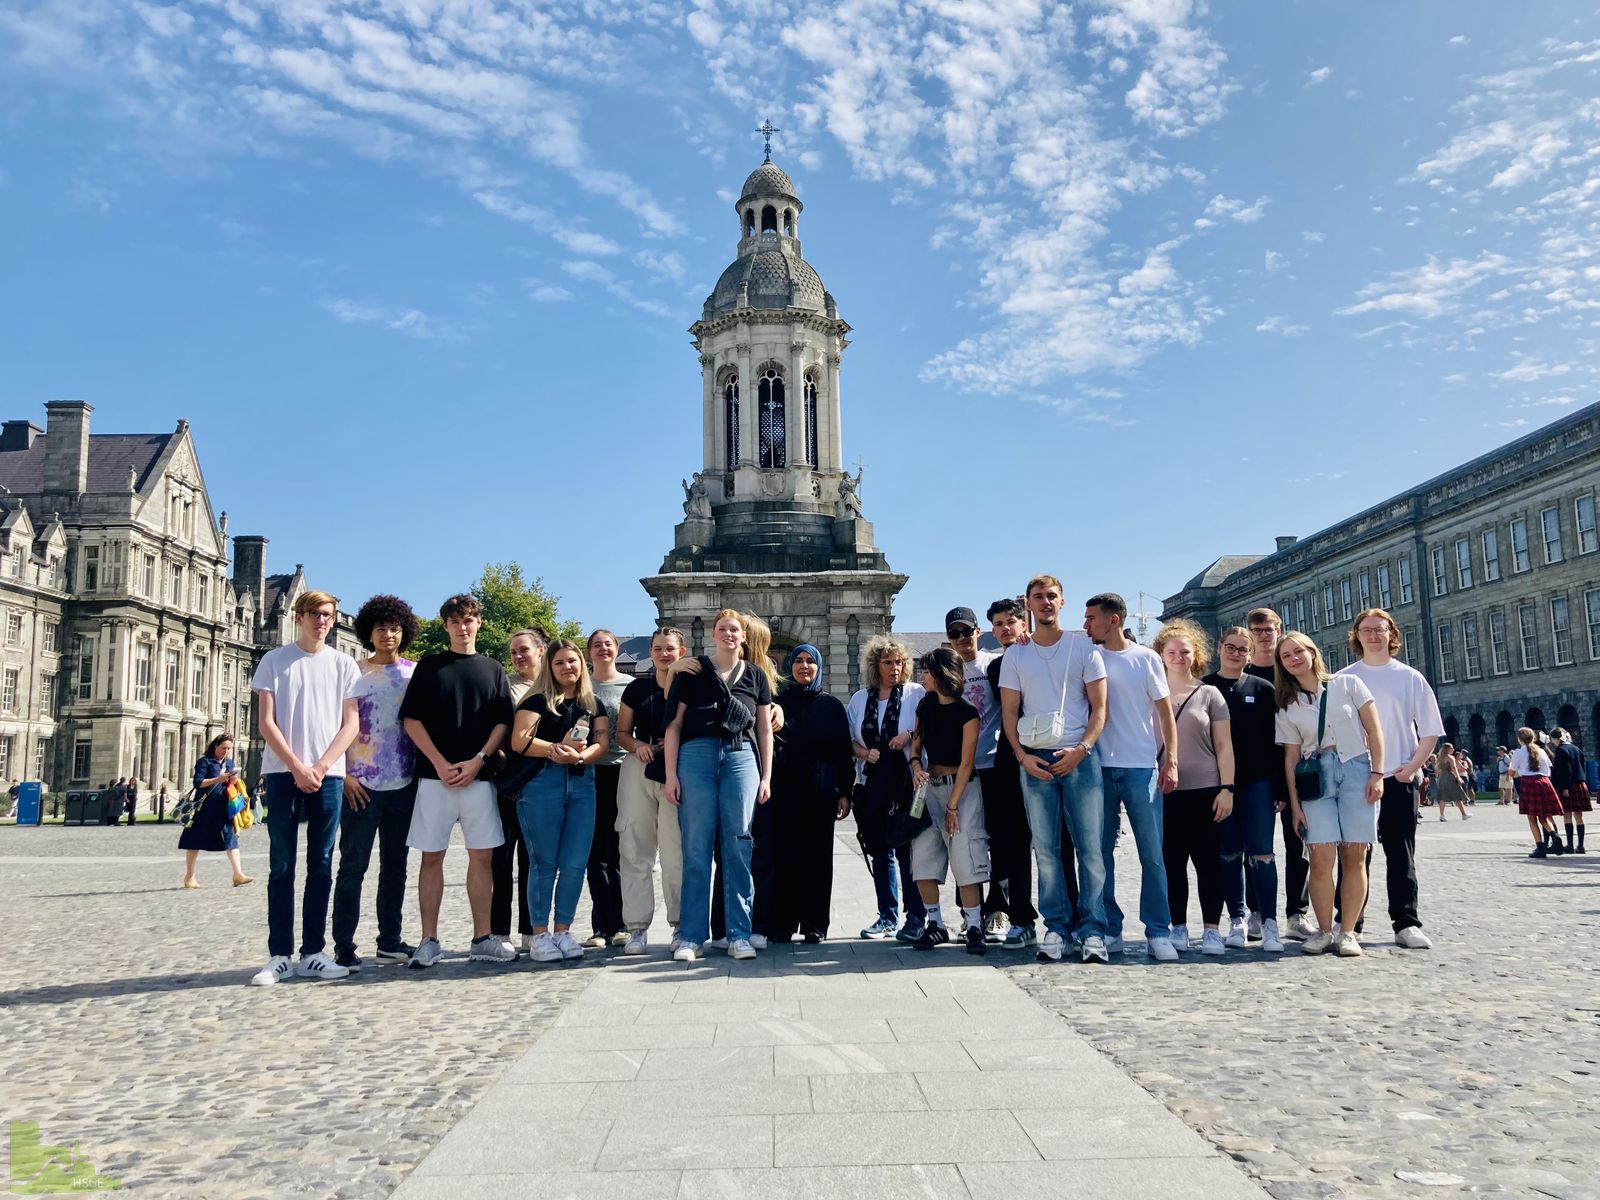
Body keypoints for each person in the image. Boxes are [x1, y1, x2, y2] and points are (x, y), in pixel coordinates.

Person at [249, 590, 363, 986]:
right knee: (281, 866)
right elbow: (267, 722)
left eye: (328, 615)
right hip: (283, 773)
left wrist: (322, 765)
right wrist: (298, 766)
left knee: (321, 865)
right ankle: (279, 954)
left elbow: (351, 725)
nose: (322, 621)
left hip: (328, 775)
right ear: (299, 616)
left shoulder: (344, 665)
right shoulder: (274, 661)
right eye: (315, 613)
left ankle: (313, 952)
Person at [399, 594, 515, 969]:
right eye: (455, 621)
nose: (463, 627)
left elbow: (502, 722)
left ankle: (482, 937)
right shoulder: (429, 667)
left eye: (469, 620)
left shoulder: (493, 668)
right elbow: (411, 720)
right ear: (446, 626)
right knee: (432, 857)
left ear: (478, 623)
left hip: (479, 778)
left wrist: (477, 760)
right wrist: (440, 762)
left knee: (481, 856)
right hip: (435, 778)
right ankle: (428, 939)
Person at [999, 574, 1110, 965]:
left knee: (1090, 849)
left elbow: (1100, 708)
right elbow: (1010, 714)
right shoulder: (1016, 655)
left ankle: (1093, 928)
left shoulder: (1084, 648)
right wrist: (1021, 756)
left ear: (1062, 602)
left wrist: (1083, 749)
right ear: (1027, 604)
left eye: (1052, 596)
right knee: (1046, 851)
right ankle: (1057, 927)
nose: (1045, 602)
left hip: (1079, 757)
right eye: (1038, 597)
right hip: (1035, 759)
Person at [663, 609, 774, 962]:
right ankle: (692, 936)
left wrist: (767, 775)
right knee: (695, 847)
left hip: (741, 757)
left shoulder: (756, 674)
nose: (729, 634)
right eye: (722, 628)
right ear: (713, 634)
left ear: (744, 636)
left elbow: (764, 729)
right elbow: (673, 727)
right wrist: (670, 774)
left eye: (735, 629)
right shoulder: (692, 671)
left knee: (739, 845)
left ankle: (739, 933)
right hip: (695, 756)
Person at [1275, 632, 1386, 958]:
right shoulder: (1287, 706)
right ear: (1282, 664)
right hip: (1315, 777)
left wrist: (1378, 774)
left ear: (1312, 652)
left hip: (1355, 768)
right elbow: (1291, 759)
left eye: (1298, 651)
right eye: (1286, 656)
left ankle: (1347, 931)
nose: (1294, 658)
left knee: (1355, 854)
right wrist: (1295, 806)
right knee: (1321, 857)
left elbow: (1374, 730)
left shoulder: (1348, 684)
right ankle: (1324, 932)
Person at [1339, 609, 1443, 950]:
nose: (1373, 635)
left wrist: (1412, 768)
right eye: (1365, 630)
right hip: (1357, 777)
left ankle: (1406, 922)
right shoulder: (1343, 679)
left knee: (1401, 852)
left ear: (1391, 634)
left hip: (1399, 776)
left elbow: (1430, 731)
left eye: (1379, 629)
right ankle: (1350, 923)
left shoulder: (1409, 677)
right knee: (1355, 854)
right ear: (1356, 636)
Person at [1083, 593, 1178, 961]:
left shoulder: (1146, 658)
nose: (1086, 624)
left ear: (1115, 619)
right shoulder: (1087, 656)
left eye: (1092, 618)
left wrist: (1171, 761)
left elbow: (1165, 713)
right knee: (1098, 854)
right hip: (1098, 769)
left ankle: (1157, 931)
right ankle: (1110, 928)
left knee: (1152, 854)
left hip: (1141, 767)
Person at [506, 639, 611, 962]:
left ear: (582, 664)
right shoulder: (537, 701)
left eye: (573, 661)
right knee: (543, 863)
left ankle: (563, 929)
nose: (568, 667)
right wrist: (555, 750)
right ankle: (539, 934)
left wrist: (580, 758)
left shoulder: (593, 704)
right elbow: (519, 740)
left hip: (581, 783)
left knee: (575, 864)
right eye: (560, 663)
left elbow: (601, 741)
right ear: (550, 668)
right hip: (541, 784)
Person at [330, 595, 420, 970]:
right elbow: (334, 727)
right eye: (382, 628)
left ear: (404, 633)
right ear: (369, 632)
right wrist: (344, 773)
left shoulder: (415, 673)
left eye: (395, 628)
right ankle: (343, 944)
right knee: (353, 866)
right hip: (360, 785)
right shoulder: (352, 673)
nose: (388, 634)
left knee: (396, 867)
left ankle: (390, 940)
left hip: (404, 782)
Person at [1153, 620, 1243, 955]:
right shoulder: (1151, 691)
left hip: (1206, 788)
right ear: (1161, 654)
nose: (1178, 657)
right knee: (1171, 862)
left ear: (1196, 655)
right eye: (1172, 651)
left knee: (1208, 861)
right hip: (1163, 789)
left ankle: (1211, 929)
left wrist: (1227, 788)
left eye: (1185, 651)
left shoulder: (1209, 693)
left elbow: (1224, 746)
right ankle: (1177, 926)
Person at [1202, 626, 1286, 949]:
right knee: (1228, 854)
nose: (1236, 653)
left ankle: (1269, 921)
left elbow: (1277, 743)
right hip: (1218, 785)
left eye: (1242, 649)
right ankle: (1235, 919)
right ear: (1219, 648)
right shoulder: (1205, 687)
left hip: (1257, 783)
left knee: (1262, 853)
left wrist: (1278, 788)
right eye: (1230, 647)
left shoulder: (1264, 690)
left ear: (1250, 654)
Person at [769, 644, 854, 943]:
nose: (804, 667)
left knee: (818, 861)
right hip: (784, 790)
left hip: (820, 792)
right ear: (790, 667)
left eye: (810, 662)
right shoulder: (777, 702)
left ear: (819, 668)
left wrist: (845, 792)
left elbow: (844, 751)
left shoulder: (831, 705)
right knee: (785, 858)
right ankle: (783, 922)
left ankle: (816, 924)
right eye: (799, 661)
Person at [908, 647, 989, 954]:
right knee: (924, 857)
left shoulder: (968, 712)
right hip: (928, 788)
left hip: (963, 789)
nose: (922, 676)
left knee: (966, 857)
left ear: (942, 673)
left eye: (927, 671)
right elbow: (916, 745)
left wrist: (953, 805)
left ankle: (974, 926)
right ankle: (935, 924)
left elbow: (968, 763)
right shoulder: (925, 706)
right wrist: (915, 766)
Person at [847, 635, 927, 941]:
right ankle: (887, 915)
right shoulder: (859, 699)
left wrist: (909, 734)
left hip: (906, 782)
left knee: (907, 849)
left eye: (900, 662)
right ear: (875, 665)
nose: (895, 668)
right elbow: (850, 740)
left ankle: (916, 915)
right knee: (880, 851)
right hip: (872, 783)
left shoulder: (915, 693)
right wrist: (865, 753)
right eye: (888, 662)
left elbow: (928, 726)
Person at [615, 629, 689, 955]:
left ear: (681, 651)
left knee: (676, 852)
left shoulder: (691, 688)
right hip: (639, 767)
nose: (663, 654)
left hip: (678, 770)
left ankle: (679, 924)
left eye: (669, 649)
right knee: (634, 847)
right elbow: (621, 732)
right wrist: (638, 745)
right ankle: (636, 927)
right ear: (651, 651)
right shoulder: (637, 688)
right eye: (658, 649)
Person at [981, 598, 1044, 949]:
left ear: (1023, 623)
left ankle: (1069, 919)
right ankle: (1021, 917)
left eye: (1011, 621)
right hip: (1009, 755)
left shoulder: (1042, 652)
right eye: (999, 624)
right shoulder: (995, 668)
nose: (1005, 628)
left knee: (1056, 844)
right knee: (1012, 841)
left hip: (1049, 749)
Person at [492, 628, 544, 954]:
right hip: (508, 783)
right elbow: (495, 733)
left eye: (524, 649)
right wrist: (505, 772)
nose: (518, 656)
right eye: (513, 652)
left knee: (532, 861)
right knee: (501, 859)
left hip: (542, 783)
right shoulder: (504, 688)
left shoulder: (555, 688)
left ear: (541, 650)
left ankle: (530, 928)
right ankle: (499, 931)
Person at [584, 629, 629, 949]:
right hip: (588, 772)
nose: (603, 649)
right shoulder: (580, 686)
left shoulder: (630, 685)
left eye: (608, 644)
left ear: (617, 649)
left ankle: (626, 923)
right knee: (596, 852)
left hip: (623, 771)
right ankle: (601, 925)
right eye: (597, 645)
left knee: (622, 851)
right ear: (589, 652)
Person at [179, 734, 253, 888]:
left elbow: (229, 784)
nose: (226, 751)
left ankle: (238, 874)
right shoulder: (205, 762)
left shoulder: (230, 763)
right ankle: (189, 877)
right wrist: (218, 779)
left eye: (229, 748)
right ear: (215, 746)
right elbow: (199, 782)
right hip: (204, 808)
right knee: (194, 841)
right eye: (223, 748)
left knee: (231, 838)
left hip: (223, 807)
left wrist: (232, 781)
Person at [1511, 727, 1565, 857]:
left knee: (1532, 818)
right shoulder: (1541, 751)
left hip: (1529, 783)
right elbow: (1549, 769)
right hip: (1544, 782)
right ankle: (1554, 835)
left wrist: (1514, 771)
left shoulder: (1519, 753)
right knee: (1543, 816)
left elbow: (1512, 772)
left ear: (1519, 739)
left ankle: (1540, 848)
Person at [1551, 728, 1588, 854]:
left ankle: (1570, 845)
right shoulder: (1576, 748)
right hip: (1580, 783)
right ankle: (1581, 845)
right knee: (1579, 816)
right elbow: (1582, 766)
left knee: (1567, 815)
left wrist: (1564, 787)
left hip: (1569, 785)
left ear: (1556, 738)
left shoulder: (1561, 750)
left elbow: (1566, 770)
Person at [1433, 743, 1471, 822]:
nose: (1453, 750)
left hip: (1441, 778)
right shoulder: (1451, 757)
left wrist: (1437, 777)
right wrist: (1458, 777)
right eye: (1452, 748)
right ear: (1447, 749)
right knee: (1457, 795)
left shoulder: (1440, 757)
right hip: (1449, 777)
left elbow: (1437, 769)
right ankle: (1464, 814)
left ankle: (1442, 815)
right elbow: (1454, 768)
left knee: (1442, 797)